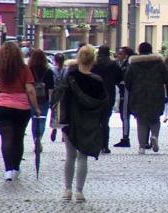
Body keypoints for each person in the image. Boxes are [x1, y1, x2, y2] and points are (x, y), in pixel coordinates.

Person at [59, 45, 108, 202]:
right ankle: (79, 191)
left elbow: (63, 101)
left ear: (79, 58)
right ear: (93, 60)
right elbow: (103, 104)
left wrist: (62, 122)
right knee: (83, 157)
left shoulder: (70, 77)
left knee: (70, 156)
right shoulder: (98, 81)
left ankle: (67, 190)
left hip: (71, 122)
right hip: (90, 122)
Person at [0, 42, 41, 181]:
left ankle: (8, 170)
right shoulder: (24, 69)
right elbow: (30, 90)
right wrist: (36, 107)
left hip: (2, 106)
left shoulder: (0, 67)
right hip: (21, 108)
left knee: (6, 138)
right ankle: (16, 167)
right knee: (18, 138)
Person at [125, 42, 168, 154]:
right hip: (156, 94)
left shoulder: (134, 64)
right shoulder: (159, 63)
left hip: (138, 95)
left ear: (139, 50)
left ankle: (141, 146)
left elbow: (127, 81)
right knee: (155, 119)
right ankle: (154, 136)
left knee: (141, 121)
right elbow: (167, 79)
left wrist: (133, 89)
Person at [91, 45, 122, 154]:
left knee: (95, 121)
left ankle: (96, 144)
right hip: (109, 94)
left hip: (95, 94)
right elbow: (120, 78)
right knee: (105, 121)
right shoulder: (113, 64)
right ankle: (105, 145)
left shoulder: (94, 64)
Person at [28, 49, 55, 153]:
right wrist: (51, 100)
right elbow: (51, 87)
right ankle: (39, 138)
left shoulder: (29, 69)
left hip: (31, 98)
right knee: (42, 119)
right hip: (44, 99)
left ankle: (35, 138)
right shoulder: (48, 71)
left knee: (34, 120)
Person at [114, 47, 136, 148]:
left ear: (126, 55)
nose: (118, 56)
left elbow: (126, 78)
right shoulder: (124, 64)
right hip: (125, 91)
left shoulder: (127, 65)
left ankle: (125, 138)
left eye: (120, 54)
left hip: (127, 91)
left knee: (125, 114)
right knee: (124, 115)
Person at [50, 53, 66, 142]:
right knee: (63, 112)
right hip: (64, 93)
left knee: (55, 111)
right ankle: (63, 133)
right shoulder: (67, 70)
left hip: (55, 93)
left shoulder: (52, 70)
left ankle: (54, 128)